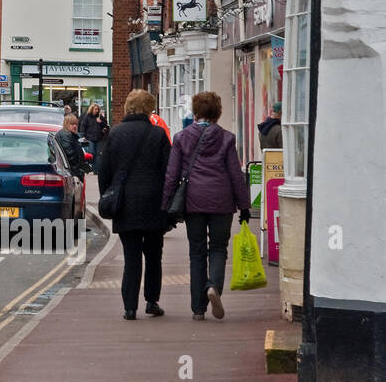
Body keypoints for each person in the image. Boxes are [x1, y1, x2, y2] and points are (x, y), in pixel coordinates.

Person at [163, 91, 251, 321]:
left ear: (196, 111)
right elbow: (235, 174)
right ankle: (213, 287)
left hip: (193, 202)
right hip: (222, 202)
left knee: (197, 253)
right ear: (217, 112)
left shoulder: (182, 138)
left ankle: (198, 308)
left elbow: (172, 175)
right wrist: (244, 206)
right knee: (219, 249)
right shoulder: (227, 138)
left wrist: (166, 206)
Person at [98, 90, 171, 320]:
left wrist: (108, 195)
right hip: (153, 202)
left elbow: (104, 170)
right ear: (149, 108)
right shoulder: (158, 134)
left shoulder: (116, 134)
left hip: (125, 203)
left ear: (128, 107)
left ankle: (130, 307)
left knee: (131, 258)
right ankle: (152, 301)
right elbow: (168, 171)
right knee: (153, 255)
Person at [56, 114, 88, 182]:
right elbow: (70, 154)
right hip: (72, 173)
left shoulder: (69, 135)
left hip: (71, 172)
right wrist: (78, 171)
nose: (75, 126)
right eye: (72, 124)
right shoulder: (66, 136)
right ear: (66, 124)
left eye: (76, 124)